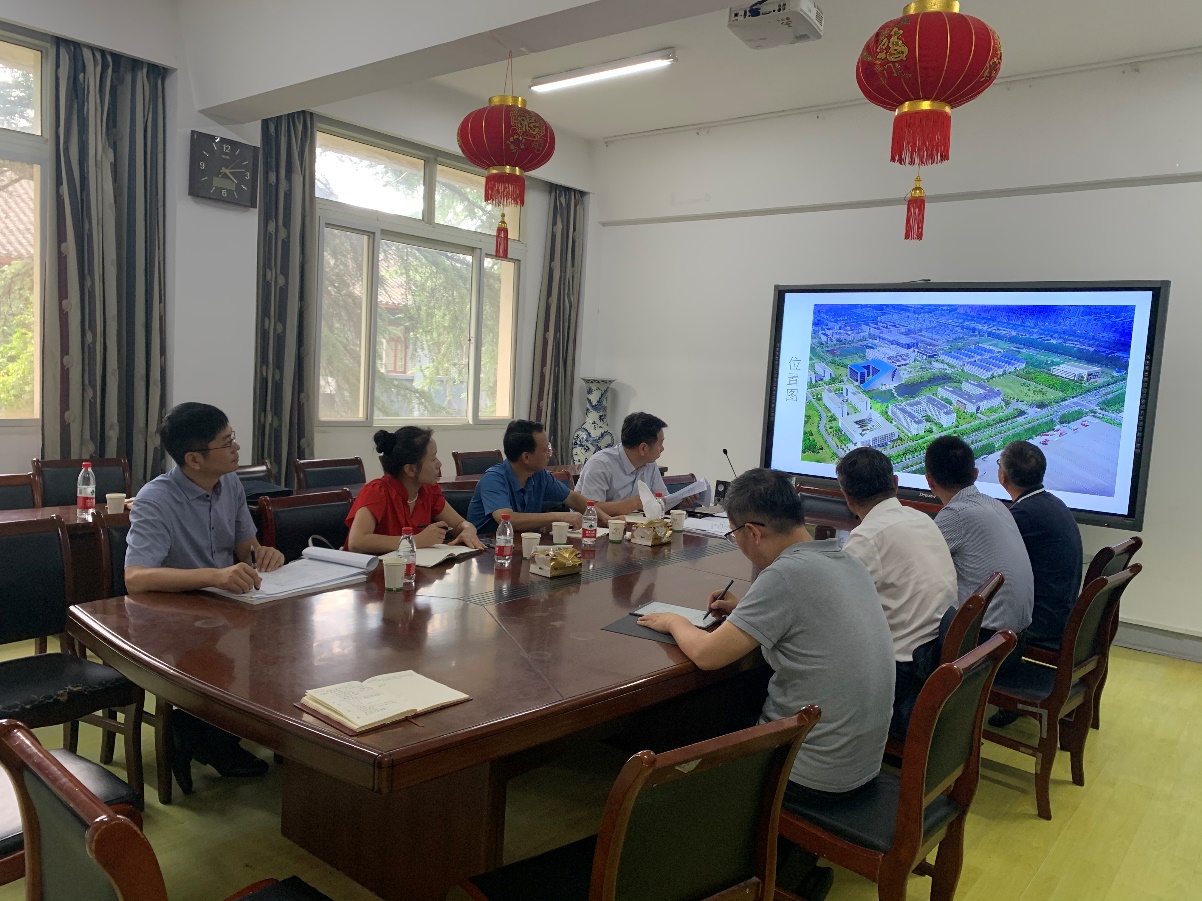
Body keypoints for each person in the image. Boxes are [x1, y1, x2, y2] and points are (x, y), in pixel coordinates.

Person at [638, 469, 894, 898]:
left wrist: (674, 621)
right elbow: (806, 616)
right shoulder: (844, 559)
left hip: (811, 772)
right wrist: (747, 610)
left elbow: (708, 655)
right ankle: (791, 865)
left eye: (735, 534)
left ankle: (732, 871)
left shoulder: (785, 576)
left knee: (692, 732)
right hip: (862, 759)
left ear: (753, 532)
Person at [124, 402, 282, 793]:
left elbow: (246, 547)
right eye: (226, 443)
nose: (236, 448)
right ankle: (209, 736)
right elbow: (135, 578)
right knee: (238, 654)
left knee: (280, 647)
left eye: (232, 438)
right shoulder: (155, 499)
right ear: (194, 459)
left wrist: (262, 553)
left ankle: (215, 732)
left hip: (223, 607)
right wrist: (214, 575)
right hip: (172, 616)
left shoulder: (231, 484)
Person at [836, 447, 957, 736]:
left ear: (847, 497)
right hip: (931, 659)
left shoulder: (866, 538)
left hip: (902, 677)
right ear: (895, 483)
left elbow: (837, 615)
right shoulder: (921, 518)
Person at [925, 435, 1034, 678]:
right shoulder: (996, 504)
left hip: (986, 647)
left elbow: (917, 571)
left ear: (929, 481)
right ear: (975, 474)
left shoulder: (954, 514)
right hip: (1015, 641)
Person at [992, 439, 1084, 726]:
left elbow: (993, 570)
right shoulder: (1053, 504)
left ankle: (973, 697)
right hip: (1063, 613)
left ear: (1003, 477)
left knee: (964, 621)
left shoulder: (1022, 516)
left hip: (1042, 622)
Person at [345, 427, 484, 554]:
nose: (439, 464)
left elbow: (459, 524)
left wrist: (468, 530)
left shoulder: (428, 490)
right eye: (433, 459)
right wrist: (415, 541)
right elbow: (357, 542)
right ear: (411, 469)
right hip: (372, 570)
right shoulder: (377, 491)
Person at [466, 419, 610, 535]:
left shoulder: (539, 475)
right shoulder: (493, 479)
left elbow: (573, 498)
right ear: (526, 457)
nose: (550, 454)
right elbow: (508, 519)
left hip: (521, 546)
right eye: (545, 450)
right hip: (487, 550)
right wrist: (557, 516)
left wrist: (607, 520)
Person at [576, 412, 695, 515]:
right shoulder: (601, 465)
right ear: (643, 448)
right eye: (660, 444)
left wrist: (679, 502)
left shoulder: (650, 465)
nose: (662, 449)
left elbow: (661, 501)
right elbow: (590, 509)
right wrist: (635, 503)